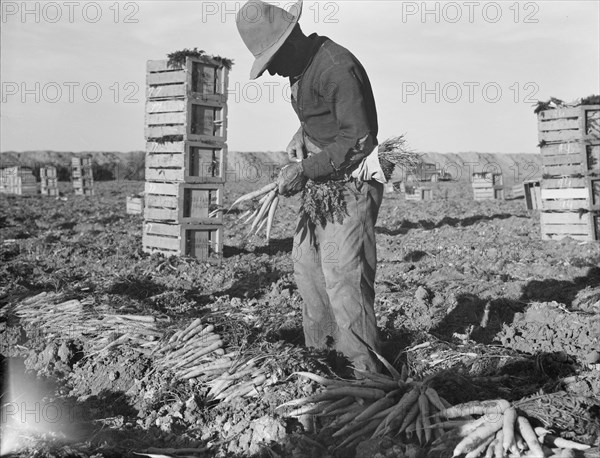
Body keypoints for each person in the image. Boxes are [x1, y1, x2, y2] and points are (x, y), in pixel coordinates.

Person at [236, 0, 383, 373]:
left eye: (272, 62)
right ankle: (321, 363)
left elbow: (360, 138)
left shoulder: (337, 68)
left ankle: (364, 378)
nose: (271, 73)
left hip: (351, 184)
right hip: (323, 181)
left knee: (343, 279)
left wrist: (304, 170)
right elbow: (326, 117)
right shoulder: (300, 67)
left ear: (290, 41)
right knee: (307, 271)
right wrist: (302, 134)